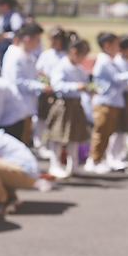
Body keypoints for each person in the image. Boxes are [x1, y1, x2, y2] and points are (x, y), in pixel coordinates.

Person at [89, 32, 128, 174]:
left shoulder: (109, 60)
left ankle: (99, 159)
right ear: (107, 45)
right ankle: (94, 160)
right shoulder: (104, 60)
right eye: (116, 44)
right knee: (101, 132)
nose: (118, 48)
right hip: (104, 101)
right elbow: (117, 78)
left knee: (107, 132)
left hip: (112, 101)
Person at [1, 22, 52, 146]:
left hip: (25, 106)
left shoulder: (27, 55)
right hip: (17, 105)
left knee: (23, 138)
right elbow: (17, 81)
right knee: (17, 141)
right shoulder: (16, 57)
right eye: (37, 39)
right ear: (28, 38)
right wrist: (40, 86)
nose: (38, 43)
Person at [46, 38, 91, 178]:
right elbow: (57, 85)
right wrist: (75, 86)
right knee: (58, 136)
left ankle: (73, 165)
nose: (83, 59)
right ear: (74, 52)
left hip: (76, 104)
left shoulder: (79, 68)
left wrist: (88, 89)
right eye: (82, 56)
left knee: (74, 136)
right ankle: (55, 164)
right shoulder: (61, 66)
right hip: (63, 105)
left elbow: (86, 81)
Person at [106, 35, 128, 171]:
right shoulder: (117, 62)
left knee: (126, 128)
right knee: (117, 128)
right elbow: (119, 81)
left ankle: (120, 155)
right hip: (121, 97)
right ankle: (112, 156)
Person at [33, 27, 67, 153]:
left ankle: (49, 143)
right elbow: (38, 70)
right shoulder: (46, 55)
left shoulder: (65, 55)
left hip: (58, 92)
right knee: (42, 117)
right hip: (46, 90)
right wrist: (46, 79)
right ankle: (39, 142)